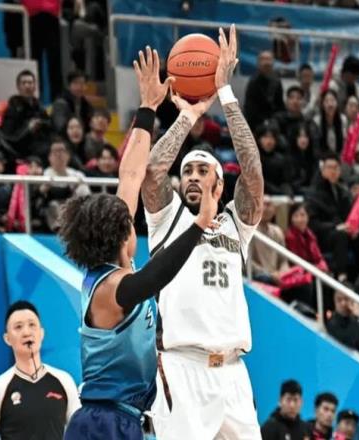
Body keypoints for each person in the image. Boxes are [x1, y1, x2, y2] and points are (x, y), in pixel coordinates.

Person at [59, 46, 220, 440]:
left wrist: (149, 108)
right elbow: (154, 278)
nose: (135, 225)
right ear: (121, 237)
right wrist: (198, 225)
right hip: (103, 421)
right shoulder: (111, 289)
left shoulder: (113, 271)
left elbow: (131, 175)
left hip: (126, 419)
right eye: (129, 224)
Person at [142, 25, 263, 439]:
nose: (192, 176)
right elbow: (153, 172)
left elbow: (253, 172)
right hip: (183, 367)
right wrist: (188, 116)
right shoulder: (167, 217)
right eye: (188, 171)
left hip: (233, 370)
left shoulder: (235, 223)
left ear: (220, 182)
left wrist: (225, 92)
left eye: (202, 170)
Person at [0, 301, 81, 440]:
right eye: (18, 327)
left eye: (32, 325)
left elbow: (81, 432)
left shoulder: (64, 381)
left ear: (42, 333)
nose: (26, 332)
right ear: (7, 338)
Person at [305, 153, 352, 279]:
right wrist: (336, 227)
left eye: (336, 168)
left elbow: (348, 215)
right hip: (323, 235)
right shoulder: (313, 193)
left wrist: (353, 227)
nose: (333, 171)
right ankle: (342, 277)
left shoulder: (342, 191)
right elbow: (313, 224)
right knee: (340, 235)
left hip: (342, 230)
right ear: (322, 170)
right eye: (329, 167)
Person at [41, 138, 90, 231]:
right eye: (55, 151)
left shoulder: (78, 175)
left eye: (62, 151)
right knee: (54, 205)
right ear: (49, 157)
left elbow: (86, 197)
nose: (59, 155)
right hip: (53, 214)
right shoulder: (44, 174)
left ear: (68, 156)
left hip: (74, 212)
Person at [2, 69, 52, 160]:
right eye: (24, 83)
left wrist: (40, 124)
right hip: (23, 151)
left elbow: (49, 125)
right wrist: (28, 129)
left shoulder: (39, 107)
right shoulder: (12, 109)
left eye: (30, 83)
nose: (27, 86)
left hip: (42, 145)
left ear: (35, 86)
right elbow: (8, 137)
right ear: (18, 87)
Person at [21, 0, 62, 99]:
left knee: (54, 61)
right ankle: (35, 98)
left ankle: (57, 99)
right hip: (33, 16)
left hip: (50, 16)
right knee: (35, 62)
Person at [250, 195, 289, 284]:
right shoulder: (249, 231)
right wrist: (269, 274)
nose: (266, 208)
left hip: (277, 276)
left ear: (274, 210)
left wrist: (283, 272)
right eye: (263, 204)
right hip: (259, 277)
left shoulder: (277, 231)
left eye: (269, 205)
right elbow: (247, 262)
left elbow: (283, 261)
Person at [244, 50, 285, 131]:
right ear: (258, 63)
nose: (266, 62)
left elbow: (280, 105)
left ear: (273, 63)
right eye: (263, 59)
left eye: (269, 59)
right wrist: (264, 122)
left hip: (274, 122)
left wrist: (276, 119)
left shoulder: (277, 81)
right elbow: (250, 109)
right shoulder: (253, 82)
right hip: (256, 124)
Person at [285, 202, 328, 273]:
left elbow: (318, 257)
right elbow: (297, 262)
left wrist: (322, 266)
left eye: (302, 215)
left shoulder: (310, 234)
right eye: (296, 216)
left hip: (313, 269)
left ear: (308, 217)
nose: (299, 219)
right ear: (291, 219)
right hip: (299, 271)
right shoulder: (290, 237)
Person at [255, 121, 292, 196]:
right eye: (265, 137)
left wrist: (287, 190)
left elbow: (285, 181)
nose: (269, 141)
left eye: (272, 137)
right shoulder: (254, 159)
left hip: (277, 197)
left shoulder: (281, 159)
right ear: (259, 139)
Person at [313, 90, 347, 156]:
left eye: (332, 100)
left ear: (337, 103)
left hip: (339, 156)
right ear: (322, 104)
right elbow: (316, 147)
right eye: (327, 101)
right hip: (322, 157)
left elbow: (345, 143)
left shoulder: (343, 120)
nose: (330, 104)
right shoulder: (316, 121)